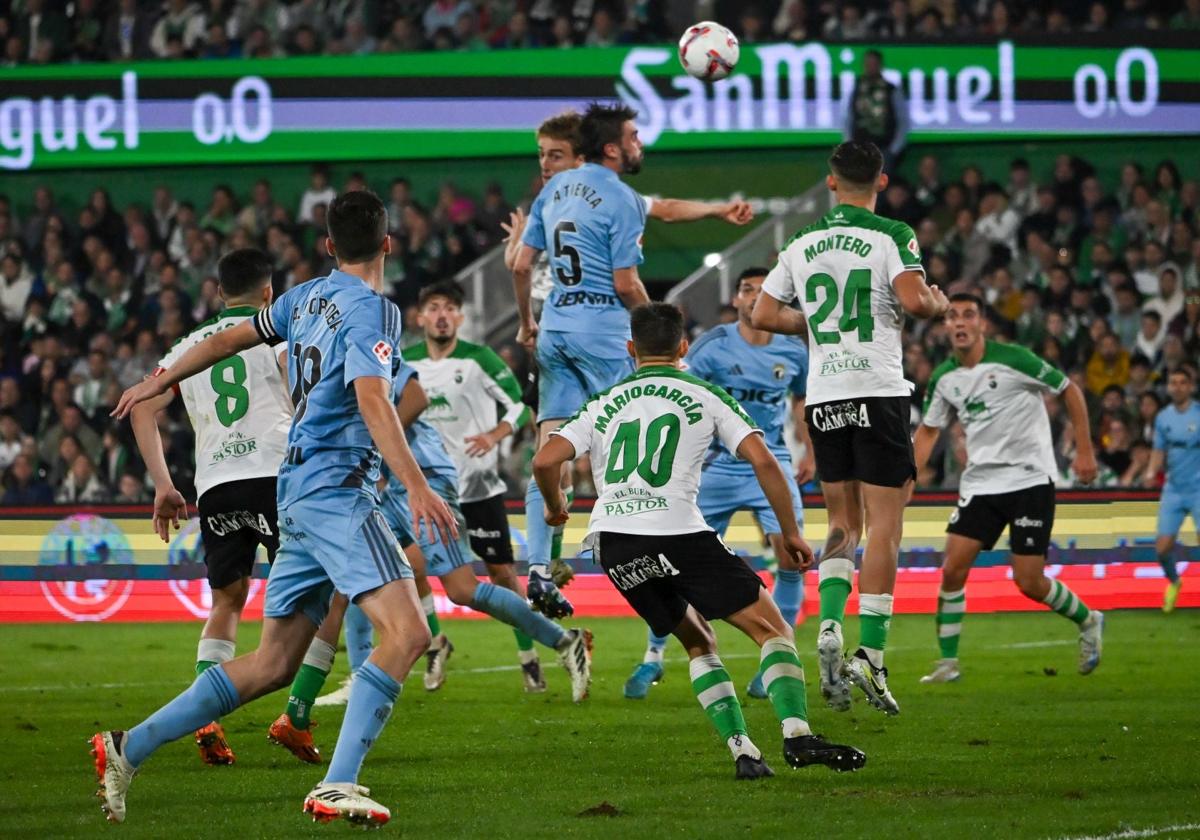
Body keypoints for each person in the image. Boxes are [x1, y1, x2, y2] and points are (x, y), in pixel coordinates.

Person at [94, 190, 457, 827]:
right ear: (389, 243)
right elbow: (374, 401)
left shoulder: (301, 298)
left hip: (293, 491)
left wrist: (158, 380)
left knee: (272, 663)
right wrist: (419, 486)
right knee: (411, 632)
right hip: (336, 489)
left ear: (326, 246)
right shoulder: (376, 312)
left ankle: (129, 745)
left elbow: (228, 340)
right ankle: (337, 783)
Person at [532, 302, 865, 778]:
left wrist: (554, 506)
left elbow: (545, 461)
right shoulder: (704, 393)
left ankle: (743, 750)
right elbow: (766, 460)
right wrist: (790, 531)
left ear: (631, 349)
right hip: (676, 531)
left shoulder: (603, 402)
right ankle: (798, 735)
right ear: (684, 347)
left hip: (614, 543)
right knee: (773, 630)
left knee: (698, 641)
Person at [506, 108, 754, 618]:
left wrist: (527, 322)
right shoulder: (618, 198)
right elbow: (624, 283)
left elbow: (521, 262)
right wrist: (656, 327)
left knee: (552, 443)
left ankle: (538, 567)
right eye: (635, 136)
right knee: (643, 430)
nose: (640, 142)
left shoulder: (555, 190)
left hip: (555, 330)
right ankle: (650, 544)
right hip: (603, 333)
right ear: (614, 149)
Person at [270, 365, 591, 744]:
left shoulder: (367, 343)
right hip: (376, 482)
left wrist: (375, 445)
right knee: (353, 580)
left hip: (419, 477)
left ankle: (563, 641)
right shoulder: (333, 356)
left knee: (461, 588)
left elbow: (416, 397)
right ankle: (336, 691)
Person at [751, 140, 949, 716]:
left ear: (831, 182)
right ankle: (873, 655)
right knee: (886, 525)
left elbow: (762, 315)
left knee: (842, 523)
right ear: (882, 182)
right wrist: (935, 304)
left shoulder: (801, 242)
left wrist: (810, 324)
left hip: (826, 395)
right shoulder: (892, 233)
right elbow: (913, 299)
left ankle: (830, 621)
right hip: (879, 391)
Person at [128, 248, 291, 766]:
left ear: (219, 293)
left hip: (217, 484)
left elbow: (141, 410)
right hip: (276, 474)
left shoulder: (188, 346)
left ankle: (205, 716)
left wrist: (163, 486)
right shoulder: (281, 329)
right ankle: (300, 713)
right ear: (270, 291)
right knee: (319, 595)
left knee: (227, 601)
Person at [623, 267, 815, 701]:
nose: (754, 296)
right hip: (718, 467)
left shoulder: (794, 350)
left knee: (791, 554)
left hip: (772, 459)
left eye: (763, 291)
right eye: (747, 289)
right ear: (737, 298)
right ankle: (653, 655)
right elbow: (680, 395)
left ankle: (776, 662)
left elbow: (802, 399)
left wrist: (810, 450)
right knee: (674, 562)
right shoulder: (712, 347)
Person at [912, 293, 1104, 684]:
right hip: (982, 483)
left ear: (982, 323)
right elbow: (930, 429)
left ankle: (1089, 619)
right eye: (953, 316)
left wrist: (1085, 451)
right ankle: (948, 663)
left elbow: (1070, 390)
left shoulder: (1014, 359)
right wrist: (907, 478)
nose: (960, 323)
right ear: (945, 326)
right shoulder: (944, 377)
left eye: (968, 315)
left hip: (1030, 478)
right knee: (952, 569)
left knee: (1028, 581)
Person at [400, 280, 549, 691]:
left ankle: (529, 655)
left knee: (500, 571)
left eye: (449, 308)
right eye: (433, 308)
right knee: (413, 568)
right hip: (428, 490)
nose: (442, 315)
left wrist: (495, 434)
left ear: (461, 318)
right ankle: (434, 644)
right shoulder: (405, 361)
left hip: (478, 485)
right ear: (420, 317)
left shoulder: (479, 358)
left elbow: (522, 404)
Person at [1142, 367, 1200, 612]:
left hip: (1198, 488)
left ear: (1191, 386)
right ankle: (1175, 582)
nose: (1177, 387)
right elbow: (1158, 450)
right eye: (1173, 382)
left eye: (1182, 383)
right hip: (1173, 490)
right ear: (1168, 387)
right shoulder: (1163, 417)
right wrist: (1150, 472)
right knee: (1162, 548)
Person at [842, 50, 909, 172]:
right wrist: (849, 145)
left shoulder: (891, 90)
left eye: (873, 64)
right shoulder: (857, 89)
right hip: (859, 150)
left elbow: (903, 120)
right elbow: (849, 118)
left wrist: (893, 149)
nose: (870, 67)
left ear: (880, 65)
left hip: (883, 149)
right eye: (868, 64)